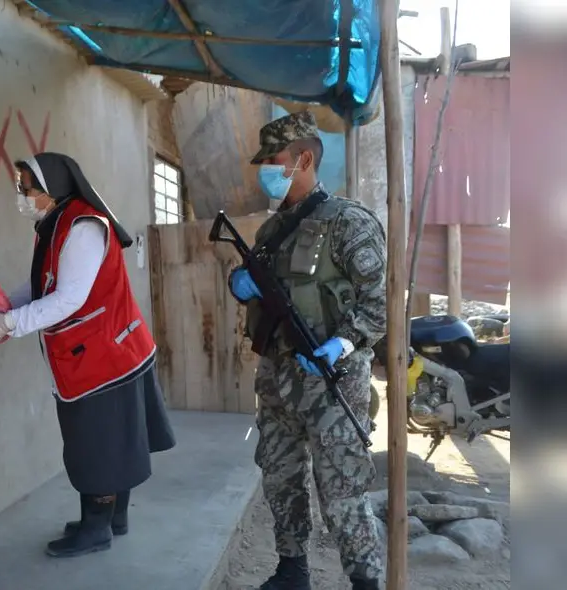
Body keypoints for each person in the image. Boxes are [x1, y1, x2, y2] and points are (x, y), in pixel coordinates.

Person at [0, 152, 177, 558]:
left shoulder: (82, 227)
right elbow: (42, 285)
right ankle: (113, 519)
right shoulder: (55, 225)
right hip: (106, 352)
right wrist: (0, 310)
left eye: (27, 188)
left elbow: (67, 299)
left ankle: (96, 528)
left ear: (52, 188)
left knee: (97, 444)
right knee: (115, 440)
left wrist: (10, 324)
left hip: (103, 357)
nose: (22, 195)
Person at [228, 111, 386, 590]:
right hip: (277, 377)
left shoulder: (348, 223)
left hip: (330, 380)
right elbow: (261, 291)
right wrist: (242, 286)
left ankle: (364, 580)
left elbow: (378, 304)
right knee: (279, 474)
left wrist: (340, 343)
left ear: (303, 159)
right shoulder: (270, 231)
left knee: (341, 486)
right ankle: (291, 570)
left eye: (273, 161)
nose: (266, 170)